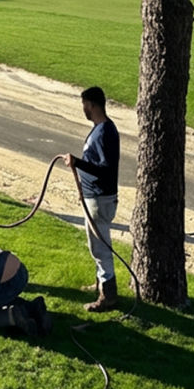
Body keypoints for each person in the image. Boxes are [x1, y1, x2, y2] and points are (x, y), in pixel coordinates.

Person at [60, 85, 120, 312]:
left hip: (99, 199)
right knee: (96, 245)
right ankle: (100, 285)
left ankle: (108, 296)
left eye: (84, 105)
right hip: (94, 197)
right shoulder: (100, 129)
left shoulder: (105, 133)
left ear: (92, 105)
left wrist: (77, 163)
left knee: (100, 248)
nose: (83, 109)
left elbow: (105, 169)